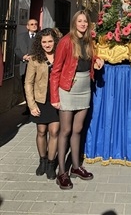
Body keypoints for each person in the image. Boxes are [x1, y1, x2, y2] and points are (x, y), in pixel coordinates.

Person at [50, 10, 104, 190]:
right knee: (65, 130)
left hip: (84, 87)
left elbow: (89, 58)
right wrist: (55, 97)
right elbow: (56, 70)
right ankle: (61, 173)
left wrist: (97, 61)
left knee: (78, 129)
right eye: (79, 21)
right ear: (75, 23)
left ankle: (75, 167)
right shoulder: (66, 41)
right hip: (67, 87)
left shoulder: (89, 41)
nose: (82, 24)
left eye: (85, 21)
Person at [24, 28, 60, 179]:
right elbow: (28, 83)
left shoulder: (60, 56)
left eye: (50, 41)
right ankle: (42, 161)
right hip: (40, 100)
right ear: (40, 43)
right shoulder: (35, 59)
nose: (47, 44)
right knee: (41, 131)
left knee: (54, 132)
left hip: (57, 100)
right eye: (44, 42)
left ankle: (51, 164)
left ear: (55, 41)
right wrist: (31, 105)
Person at [15, 18, 39, 115]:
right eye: (32, 24)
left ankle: (36, 105)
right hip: (24, 66)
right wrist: (23, 56)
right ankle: (28, 107)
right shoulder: (20, 37)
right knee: (26, 86)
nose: (34, 26)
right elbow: (16, 49)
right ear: (27, 26)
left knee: (36, 86)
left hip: (37, 66)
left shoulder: (40, 37)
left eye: (36, 24)